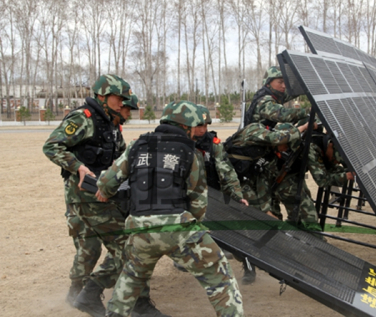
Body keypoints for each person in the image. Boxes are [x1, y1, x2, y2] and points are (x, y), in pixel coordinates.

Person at [95, 101, 244, 317]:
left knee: (130, 279)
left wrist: (104, 191)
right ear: (185, 125)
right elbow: (199, 202)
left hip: (139, 228)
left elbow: (107, 183)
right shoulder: (189, 152)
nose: (198, 131)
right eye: (195, 125)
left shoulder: (137, 145)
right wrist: (193, 229)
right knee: (219, 276)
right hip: (178, 228)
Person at [43, 74, 162, 317]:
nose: (123, 104)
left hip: (102, 194)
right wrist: (77, 167)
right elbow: (52, 146)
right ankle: (122, 300)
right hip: (86, 196)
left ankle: (82, 293)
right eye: (119, 98)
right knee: (127, 247)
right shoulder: (83, 118)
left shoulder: (110, 124)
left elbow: (119, 159)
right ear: (102, 96)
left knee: (96, 247)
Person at [224, 121, 308, 284]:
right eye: (286, 145)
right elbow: (275, 137)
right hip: (225, 180)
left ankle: (264, 263)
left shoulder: (267, 155)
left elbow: (262, 183)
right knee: (235, 230)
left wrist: (267, 210)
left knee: (256, 224)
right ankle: (247, 265)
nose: (285, 150)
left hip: (243, 183)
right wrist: (303, 128)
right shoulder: (254, 130)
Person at [195, 105, 248, 206]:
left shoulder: (214, 145)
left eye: (205, 126)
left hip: (211, 199)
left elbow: (227, 172)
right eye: (199, 126)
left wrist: (237, 196)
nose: (202, 130)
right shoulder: (182, 144)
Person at [244, 66, 309, 128]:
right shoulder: (264, 100)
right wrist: (308, 111)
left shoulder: (276, 94)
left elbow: (293, 92)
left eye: (285, 82)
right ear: (268, 82)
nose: (284, 86)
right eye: (280, 82)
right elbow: (282, 115)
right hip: (254, 138)